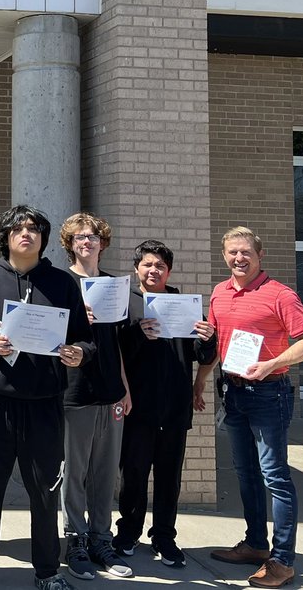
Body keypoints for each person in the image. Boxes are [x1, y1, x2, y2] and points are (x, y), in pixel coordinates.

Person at [0, 205, 94, 590]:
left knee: (45, 492)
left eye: (33, 229)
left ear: (43, 238)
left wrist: (79, 352)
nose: (26, 233)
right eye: (18, 228)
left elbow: (84, 337)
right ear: (6, 236)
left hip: (44, 402)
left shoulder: (62, 283)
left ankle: (47, 571)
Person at [197, 227, 303, 589]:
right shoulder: (220, 292)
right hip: (233, 392)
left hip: (270, 392)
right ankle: (255, 545)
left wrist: (270, 364)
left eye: (246, 252)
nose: (239, 258)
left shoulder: (280, 294)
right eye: (233, 252)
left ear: (259, 255)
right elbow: (218, 341)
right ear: (224, 256)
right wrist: (200, 381)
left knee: (275, 477)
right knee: (245, 472)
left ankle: (282, 561)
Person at [113, 240, 216, 567]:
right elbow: (116, 352)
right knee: (133, 475)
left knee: (169, 477)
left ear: (168, 271)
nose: (153, 270)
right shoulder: (126, 302)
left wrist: (208, 338)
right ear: (136, 268)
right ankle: (128, 532)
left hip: (174, 406)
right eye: (147, 264)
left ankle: (164, 537)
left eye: (160, 265)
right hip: (138, 407)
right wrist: (138, 333)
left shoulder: (183, 304)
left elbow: (204, 356)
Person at [58, 213, 133, 581]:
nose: (87, 242)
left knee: (106, 472)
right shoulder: (61, 283)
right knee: (75, 471)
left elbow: (115, 343)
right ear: (69, 243)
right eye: (79, 237)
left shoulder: (113, 285)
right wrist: (75, 319)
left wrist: (125, 388)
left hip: (110, 391)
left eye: (93, 237)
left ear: (103, 243)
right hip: (74, 389)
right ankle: (75, 539)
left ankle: (102, 539)